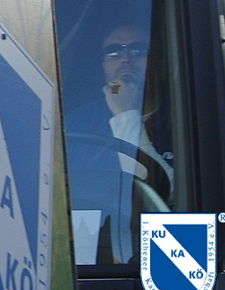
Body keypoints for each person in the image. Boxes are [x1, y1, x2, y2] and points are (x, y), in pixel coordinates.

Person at [65, 23, 174, 262]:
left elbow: (169, 195)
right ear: (104, 66)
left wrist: (125, 115)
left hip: (163, 254)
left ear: (160, 64)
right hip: (92, 257)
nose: (125, 59)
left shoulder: (183, 118)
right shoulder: (76, 124)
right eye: (114, 52)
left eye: (138, 50)